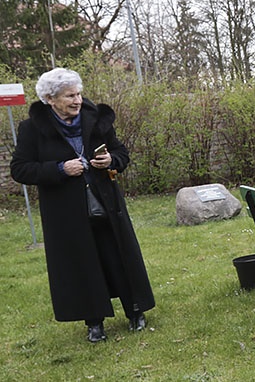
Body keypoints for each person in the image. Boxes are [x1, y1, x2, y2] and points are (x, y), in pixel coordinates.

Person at [10, 68, 155, 342]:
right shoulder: (32, 129)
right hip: (66, 212)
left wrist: (110, 160)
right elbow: (20, 169)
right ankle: (94, 322)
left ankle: (135, 311)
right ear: (50, 99)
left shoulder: (96, 118)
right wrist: (60, 169)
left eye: (78, 94)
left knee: (119, 256)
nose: (77, 100)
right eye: (69, 96)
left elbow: (122, 153)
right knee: (82, 264)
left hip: (106, 203)